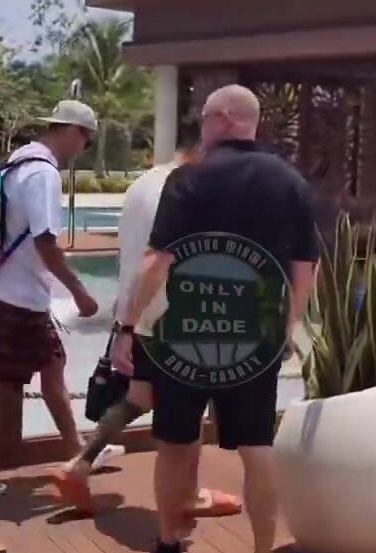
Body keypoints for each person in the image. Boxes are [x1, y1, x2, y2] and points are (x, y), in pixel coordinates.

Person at [112, 84, 318, 553]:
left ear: (223, 119)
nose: (200, 127)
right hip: (254, 335)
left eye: (204, 118)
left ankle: (169, 550)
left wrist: (127, 326)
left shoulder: (189, 178)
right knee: (256, 448)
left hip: (183, 332)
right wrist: (285, 327)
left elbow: (157, 260)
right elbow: (304, 268)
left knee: (175, 442)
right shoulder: (290, 182)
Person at [56, 120, 242, 525]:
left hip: (135, 315)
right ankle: (188, 495)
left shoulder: (142, 183)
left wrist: (126, 321)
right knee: (186, 406)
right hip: (175, 317)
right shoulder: (188, 188)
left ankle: (80, 463)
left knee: (139, 397)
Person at [0, 100, 99, 496]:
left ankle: (77, 452)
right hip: (21, 297)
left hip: (8, 289)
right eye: (87, 141)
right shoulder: (43, 174)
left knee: (53, 364)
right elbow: (44, 240)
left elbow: (1, 230)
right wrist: (79, 291)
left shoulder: (15, 164)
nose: (83, 149)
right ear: (74, 132)